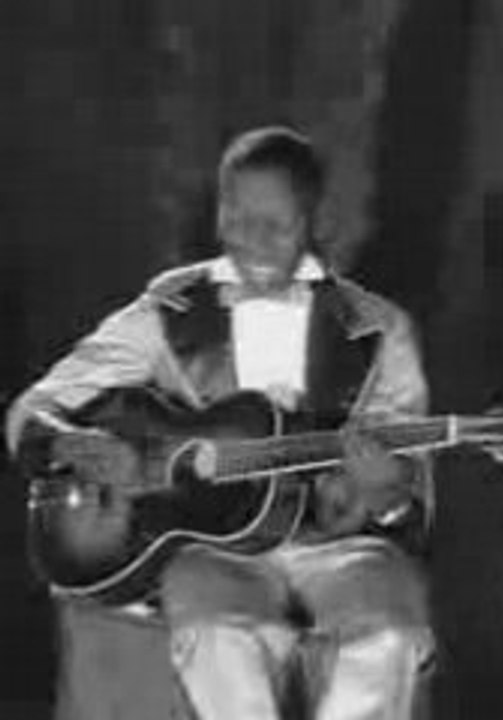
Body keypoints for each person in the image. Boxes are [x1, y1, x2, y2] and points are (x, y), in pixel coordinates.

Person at [7, 126, 434, 720]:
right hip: (210, 551)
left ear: (315, 224)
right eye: (238, 219)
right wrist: (72, 442)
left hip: (340, 548)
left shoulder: (378, 327)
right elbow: (37, 405)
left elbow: (406, 498)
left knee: (387, 637)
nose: (253, 241)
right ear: (218, 213)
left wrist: (383, 489)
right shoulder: (172, 308)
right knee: (217, 635)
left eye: (276, 225)